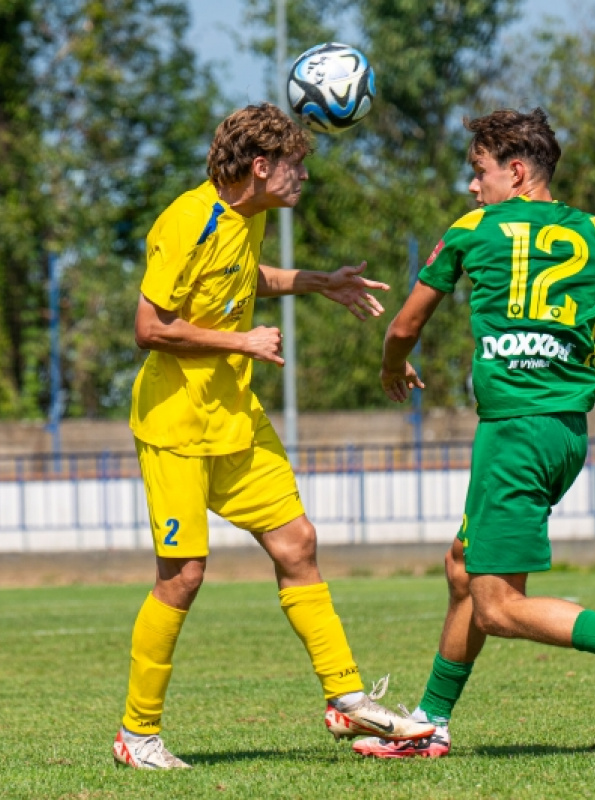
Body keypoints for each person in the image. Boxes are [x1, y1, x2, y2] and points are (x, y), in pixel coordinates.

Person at [352, 108, 595, 760]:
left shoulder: (472, 231)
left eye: (478, 173)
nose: (473, 189)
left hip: (513, 434)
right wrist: (590, 320)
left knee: (497, 607)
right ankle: (430, 725)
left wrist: (393, 365)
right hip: (564, 434)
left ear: (516, 170)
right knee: (461, 570)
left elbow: (402, 327)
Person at [112, 103, 434, 770]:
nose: (304, 179)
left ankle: (344, 697)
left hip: (235, 417)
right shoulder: (187, 219)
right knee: (182, 578)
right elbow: (149, 326)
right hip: (176, 424)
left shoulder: (245, 218)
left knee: (298, 542)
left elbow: (242, 279)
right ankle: (137, 736)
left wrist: (320, 283)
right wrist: (242, 340)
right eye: (297, 167)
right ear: (260, 166)